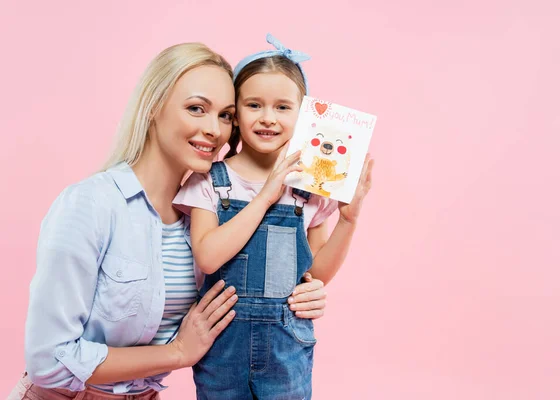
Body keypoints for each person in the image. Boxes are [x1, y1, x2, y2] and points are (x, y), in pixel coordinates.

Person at [9, 41, 329, 400]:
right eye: (196, 108)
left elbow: (251, 286)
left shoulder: (205, 219)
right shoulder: (92, 205)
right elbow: (49, 360)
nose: (214, 130)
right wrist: (177, 352)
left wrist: (303, 291)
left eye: (224, 115)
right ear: (153, 107)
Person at [173, 33, 374, 400]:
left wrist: (348, 220)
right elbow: (208, 255)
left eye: (282, 107)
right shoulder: (209, 180)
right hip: (222, 347)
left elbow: (316, 273)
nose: (268, 118)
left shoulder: (309, 187)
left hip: (286, 348)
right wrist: (266, 195)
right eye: (254, 105)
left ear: (304, 115)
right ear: (236, 112)